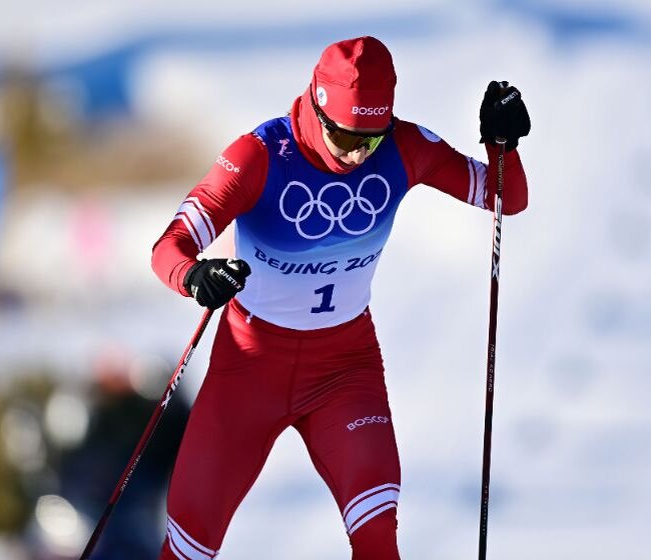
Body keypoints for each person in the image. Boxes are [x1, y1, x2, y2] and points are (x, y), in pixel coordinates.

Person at [151, 36, 530, 560]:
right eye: (345, 137)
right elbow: (168, 247)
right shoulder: (259, 156)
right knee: (188, 548)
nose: (356, 155)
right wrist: (194, 276)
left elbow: (504, 197)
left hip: (344, 371)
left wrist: (502, 145)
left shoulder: (403, 147)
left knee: (378, 538)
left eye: (370, 141)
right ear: (317, 106)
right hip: (248, 370)